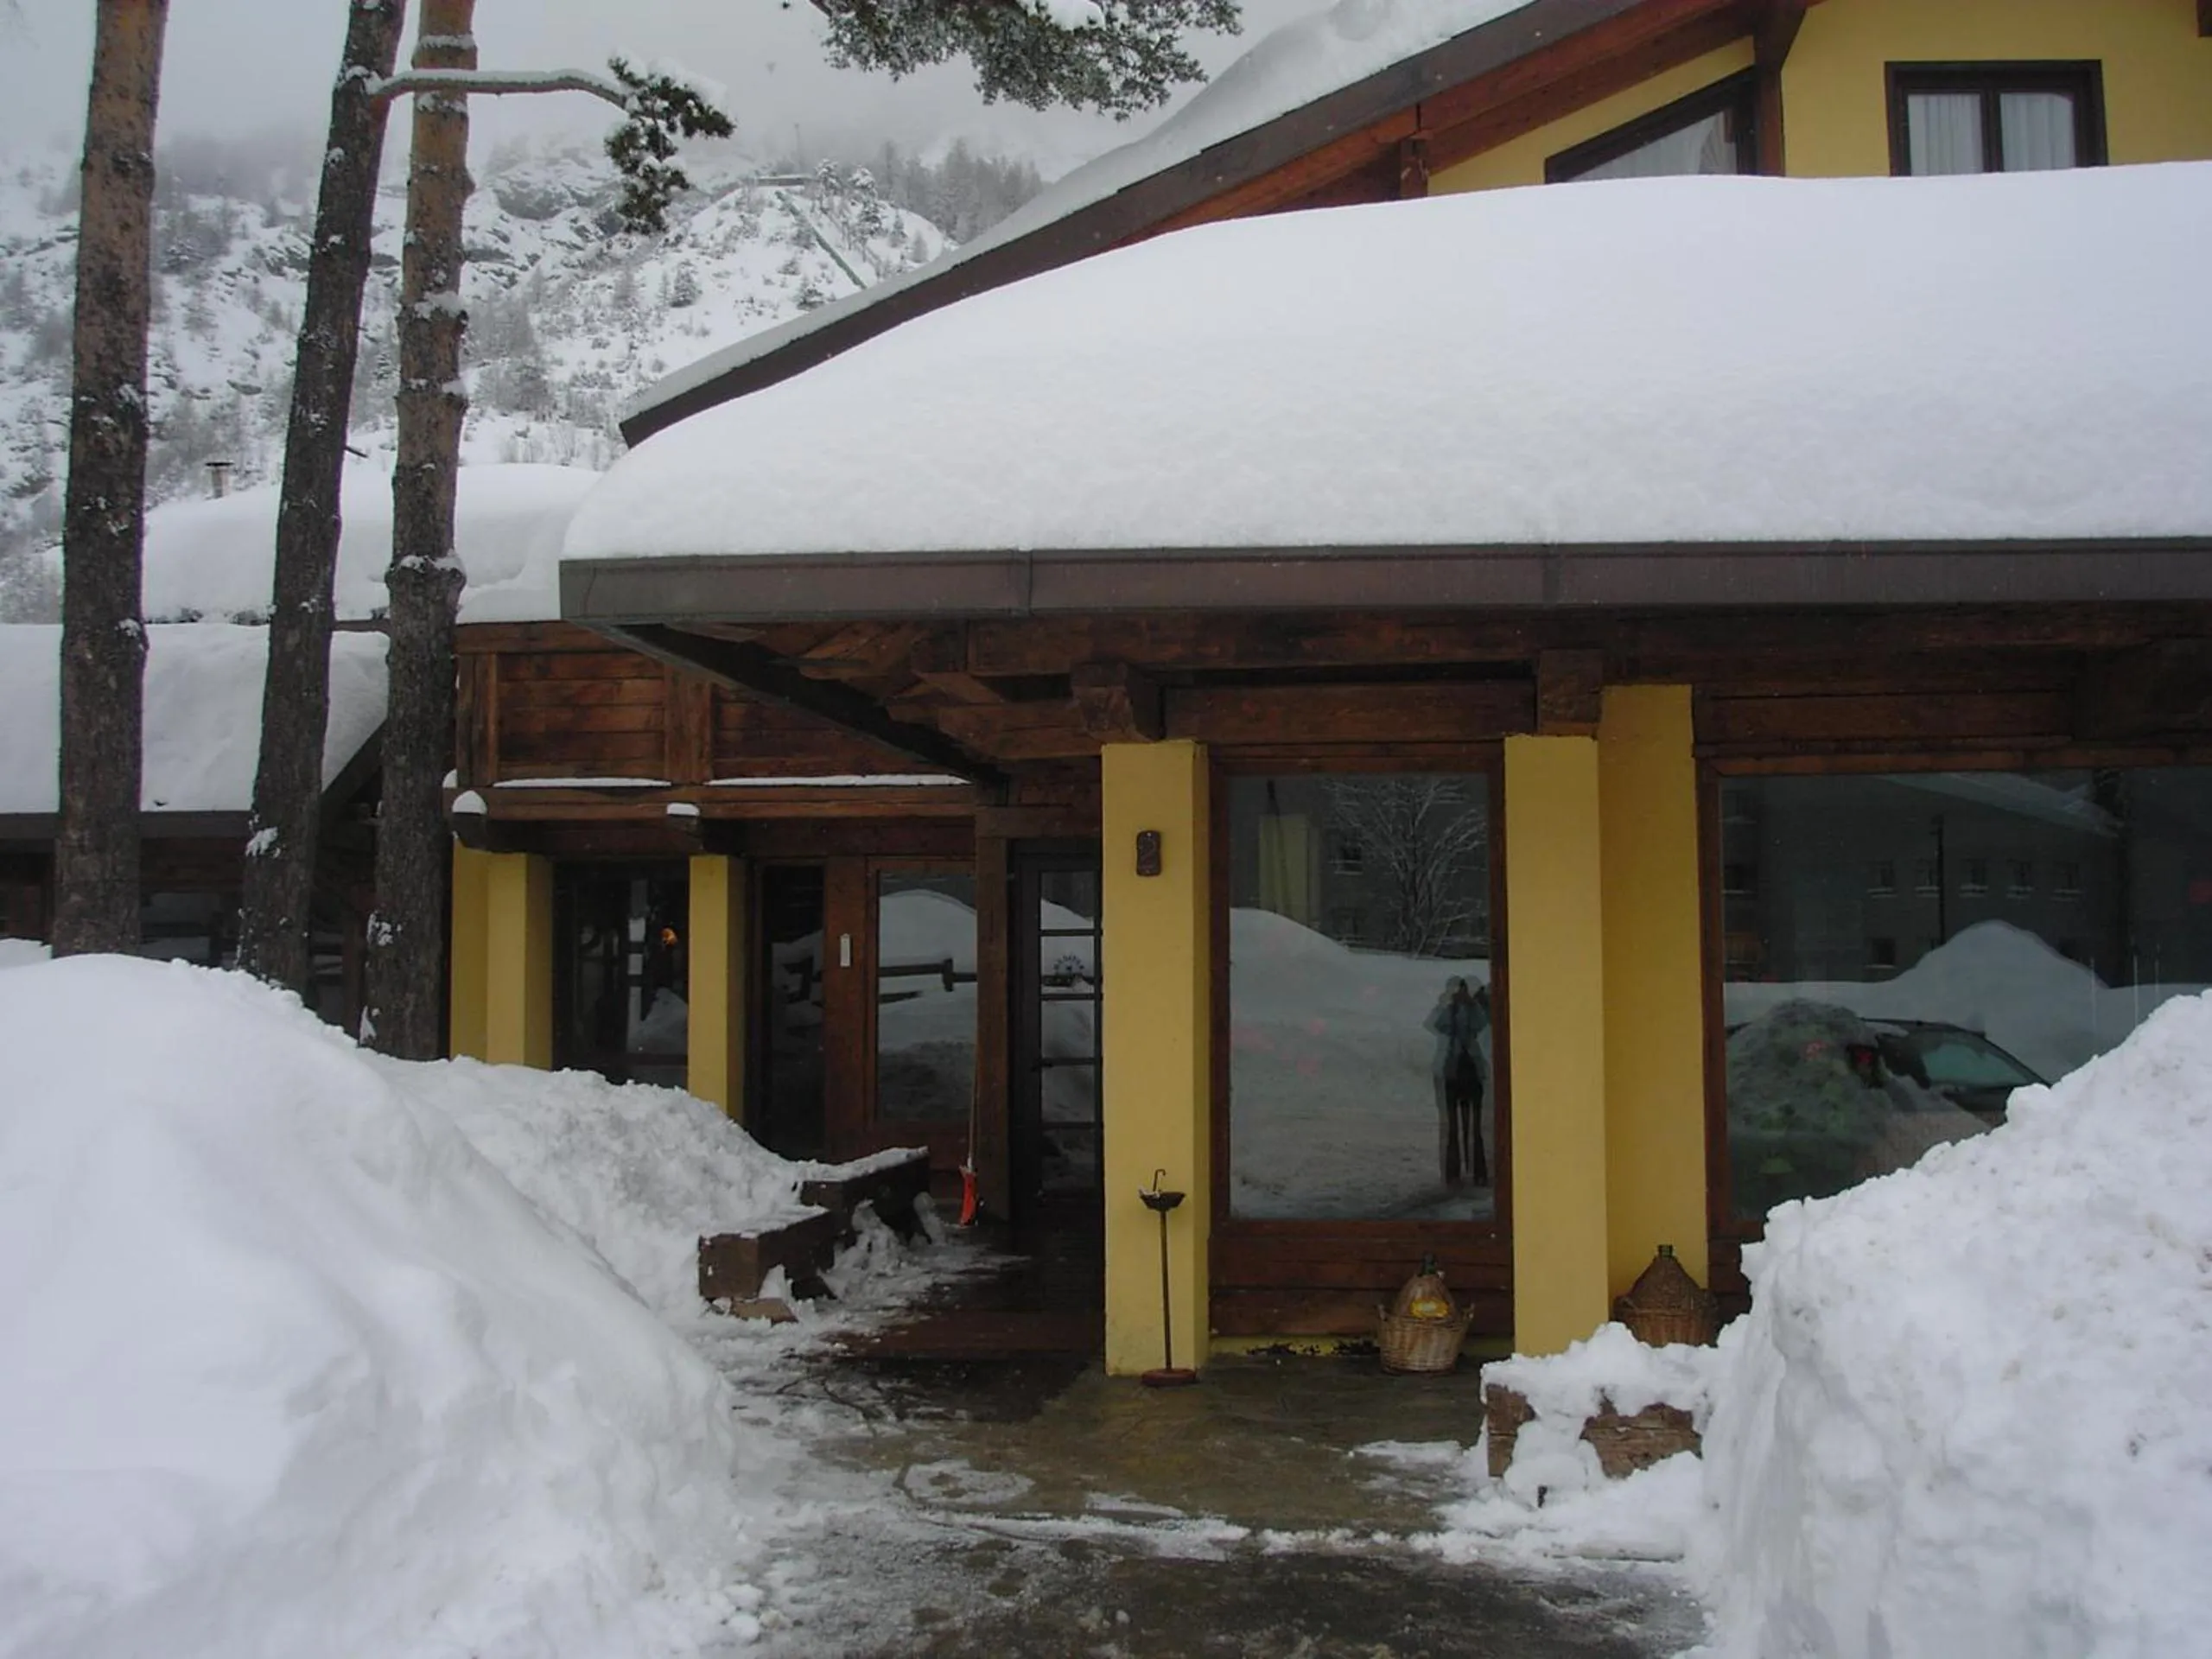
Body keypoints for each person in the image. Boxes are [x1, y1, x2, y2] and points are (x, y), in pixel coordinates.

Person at [1425, 977, 1491, 1186]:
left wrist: (1468, 1006)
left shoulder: (1473, 1010)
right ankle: (1457, 1172)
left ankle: (1474, 1171)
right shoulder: (1449, 1011)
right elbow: (1437, 1025)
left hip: (1466, 1069)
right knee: (1454, 1127)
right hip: (1456, 1070)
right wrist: (1450, 1006)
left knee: (1472, 1128)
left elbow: (1480, 1025)